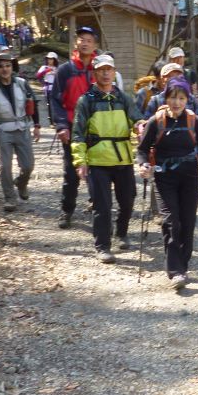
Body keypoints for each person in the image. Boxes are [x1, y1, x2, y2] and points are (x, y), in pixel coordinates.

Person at [136, 78, 198, 289]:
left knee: (188, 223)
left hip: (190, 176)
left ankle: (183, 265)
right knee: (171, 222)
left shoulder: (194, 121)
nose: (177, 102)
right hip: (164, 176)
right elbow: (142, 149)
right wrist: (143, 165)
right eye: (173, 97)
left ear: (187, 99)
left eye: (181, 98)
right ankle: (175, 271)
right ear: (166, 98)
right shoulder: (156, 121)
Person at [71, 54, 145, 264]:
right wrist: (80, 161)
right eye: (101, 69)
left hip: (122, 158)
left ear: (114, 72)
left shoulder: (123, 98)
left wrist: (140, 125)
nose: (105, 73)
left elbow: (136, 117)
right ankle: (103, 246)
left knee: (128, 200)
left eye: (109, 69)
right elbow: (78, 132)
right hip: (97, 160)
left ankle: (121, 233)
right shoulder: (86, 101)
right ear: (94, 73)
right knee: (102, 205)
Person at [50, 26, 99, 229]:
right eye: (82, 39)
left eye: (89, 39)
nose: (85, 42)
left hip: (98, 129)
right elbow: (55, 100)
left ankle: (100, 211)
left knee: (98, 172)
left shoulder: (100, 69)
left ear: (95, 44)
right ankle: (66, 210)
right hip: (72, 128)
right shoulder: (65, 70)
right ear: (76, 43)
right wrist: (61, 125)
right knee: (71, 172)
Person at [0, 52, 41, 212]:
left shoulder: (22, 84)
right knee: (5, 167)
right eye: (0, 66)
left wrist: (37, 125)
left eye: (7, 65)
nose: (5, 69)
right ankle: (10, 198)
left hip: (23, 128)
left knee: (28, 166)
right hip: (4, 131)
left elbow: (33, 103)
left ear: (12, 67)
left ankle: (21, 183)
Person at [35, 51, 59, 125]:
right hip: (48, 88)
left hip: (56, 88)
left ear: (54, 60)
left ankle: (57, 120)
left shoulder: (57, 68)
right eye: (48, 59)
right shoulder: (44, 67)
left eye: (51, 59)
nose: (49, 60)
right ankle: (52, 122)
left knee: (56, 105)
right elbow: (38, 76)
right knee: (50, 105)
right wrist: (46, 71)